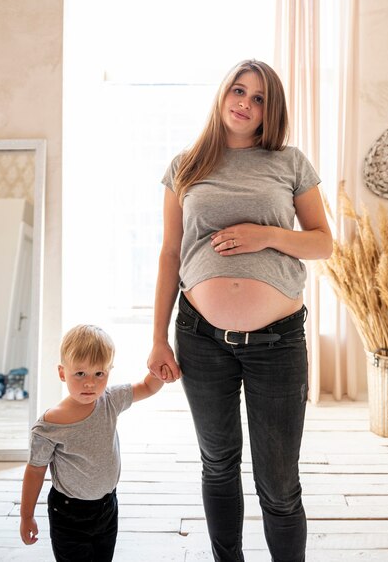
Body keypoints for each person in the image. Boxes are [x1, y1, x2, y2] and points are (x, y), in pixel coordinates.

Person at [147, 59, 332, 562]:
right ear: (223, 93)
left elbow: (323, 244)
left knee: (278, 482)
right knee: (218, 464)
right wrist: (159, 336)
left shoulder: (289, 162)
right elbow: (169, 253)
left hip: (278, 342)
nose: (245, 104)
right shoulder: (186, 166)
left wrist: (265, 234)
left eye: (259, 98)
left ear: (270, 111)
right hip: (199, 337)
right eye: (239, 90)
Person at [20, 324, 166, 562]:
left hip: (107, 506)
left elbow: (148, 386)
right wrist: (27, 515)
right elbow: (35, 471)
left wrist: (161, 371)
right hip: (69, 513)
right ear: (62, 373)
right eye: (80, 374)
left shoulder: (110, 400)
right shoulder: (49, 425)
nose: (90, 383)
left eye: (99, 374)